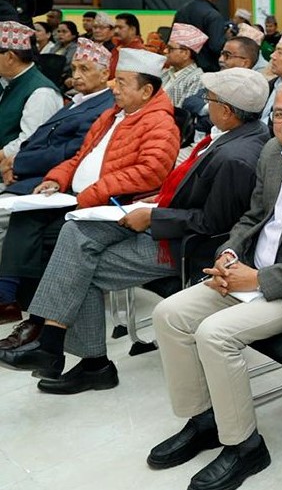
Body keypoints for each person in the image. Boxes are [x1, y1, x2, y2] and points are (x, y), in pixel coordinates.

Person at [147, 73, 282, 490]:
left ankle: (245, 446)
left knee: (214, 334)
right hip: (248, 273)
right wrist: (229, 254)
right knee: (169, 314)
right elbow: (253, 217)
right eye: (280, 114)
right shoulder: (272, 152)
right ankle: (205, 419)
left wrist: (260, 278)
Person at [0, 68, 270, 392]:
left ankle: (78, 357)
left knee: (80, 266)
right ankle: (54, 344)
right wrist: (157, 202)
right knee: (74, 232)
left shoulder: (235, 157)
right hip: (163, 215)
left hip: (184, 245)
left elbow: (213, 224)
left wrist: (153, 217)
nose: (205, 105)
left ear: (226, 111)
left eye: (209, 99)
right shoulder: (234, 136)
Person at [0, 48, 179, 338]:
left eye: (122, 83)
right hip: (78, 197)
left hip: (113, 206)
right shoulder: (111, 116)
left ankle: (41, 322)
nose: (113, 87)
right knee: (26, 217)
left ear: (146, 91)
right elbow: (80, 158)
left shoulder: (160, 123)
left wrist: (92, 193)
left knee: (58, 236)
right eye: (115, 80)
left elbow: (150, 172)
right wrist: (56, 179)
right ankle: (15, 301)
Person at [0, 38, 113, 332]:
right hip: (38, 172)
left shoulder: (103, 107)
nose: (76, 75)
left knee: (13, 214)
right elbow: (42, 139)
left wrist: (18, 163)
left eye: (85, 69)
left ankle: (8, 295)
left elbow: (71, 151)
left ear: (105, 74)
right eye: (74, 68)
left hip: (56, 178)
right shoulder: (80, 100)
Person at [0, 20, 63, 194]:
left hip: (16, 178)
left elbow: (31, 141)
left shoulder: (41, 92)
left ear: (10, 57)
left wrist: (2, 155)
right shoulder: (8, 81)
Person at [174, 0, 228, 72]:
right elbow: (216, 47)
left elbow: (175, 41)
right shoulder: (213, 15)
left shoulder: (181, 11)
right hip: (207, 70)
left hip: (182, 68)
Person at [161, 23, 208, 107]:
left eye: (170, 48)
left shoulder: (197, 79)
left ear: (185, 54)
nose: (165, 51)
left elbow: (183, 111)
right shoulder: (165, 73)